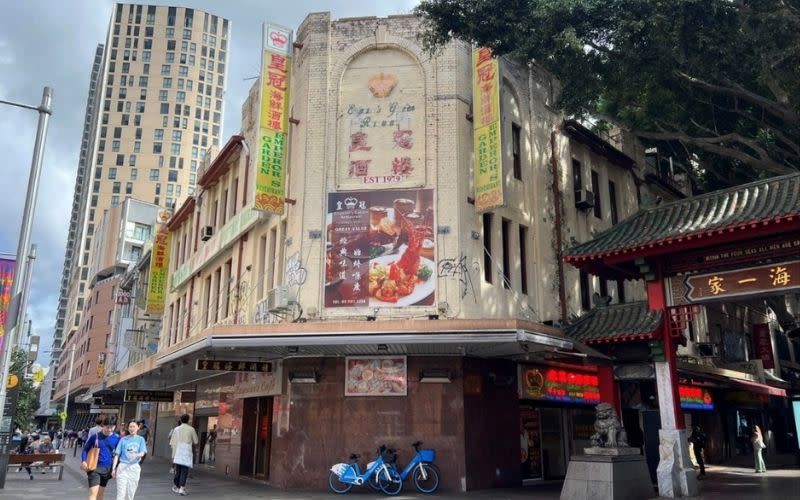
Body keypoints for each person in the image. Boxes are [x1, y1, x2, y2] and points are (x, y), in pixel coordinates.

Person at [81, 417, 120, 500]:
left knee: (100, 494)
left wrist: (115, 468)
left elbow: (119, 454)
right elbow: (85, 449)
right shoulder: (95, 437)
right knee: (93, 494)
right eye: (107, 427)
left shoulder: (117, 438)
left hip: (107, 469)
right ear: (103, 425)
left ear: (115, 426)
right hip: (95, 468)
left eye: (112, 427)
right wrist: (84, 461)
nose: (109, 429)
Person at [112, 420, 147, 500]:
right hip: (122, 467)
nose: (131, 428)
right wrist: (113, 468)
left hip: (134, 468)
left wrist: (136, 455)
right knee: (121, 493)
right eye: (130, 427)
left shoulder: (140, 439)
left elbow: (142, 452)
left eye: (134, 426)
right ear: (128, 428)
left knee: (130, 494)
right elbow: (117, 455)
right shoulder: (123, 440)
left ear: (138, 427)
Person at [169, 414, 198, 496]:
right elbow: (196, 441)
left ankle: (176, 486)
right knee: (184, 471)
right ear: (188, 420)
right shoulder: (191, 429)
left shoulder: (176, 429)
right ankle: (182, 488)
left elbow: (172, 442)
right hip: (187, 452)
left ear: (181, 420)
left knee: (178, 470)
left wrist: (174, 455)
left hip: (178, 452)